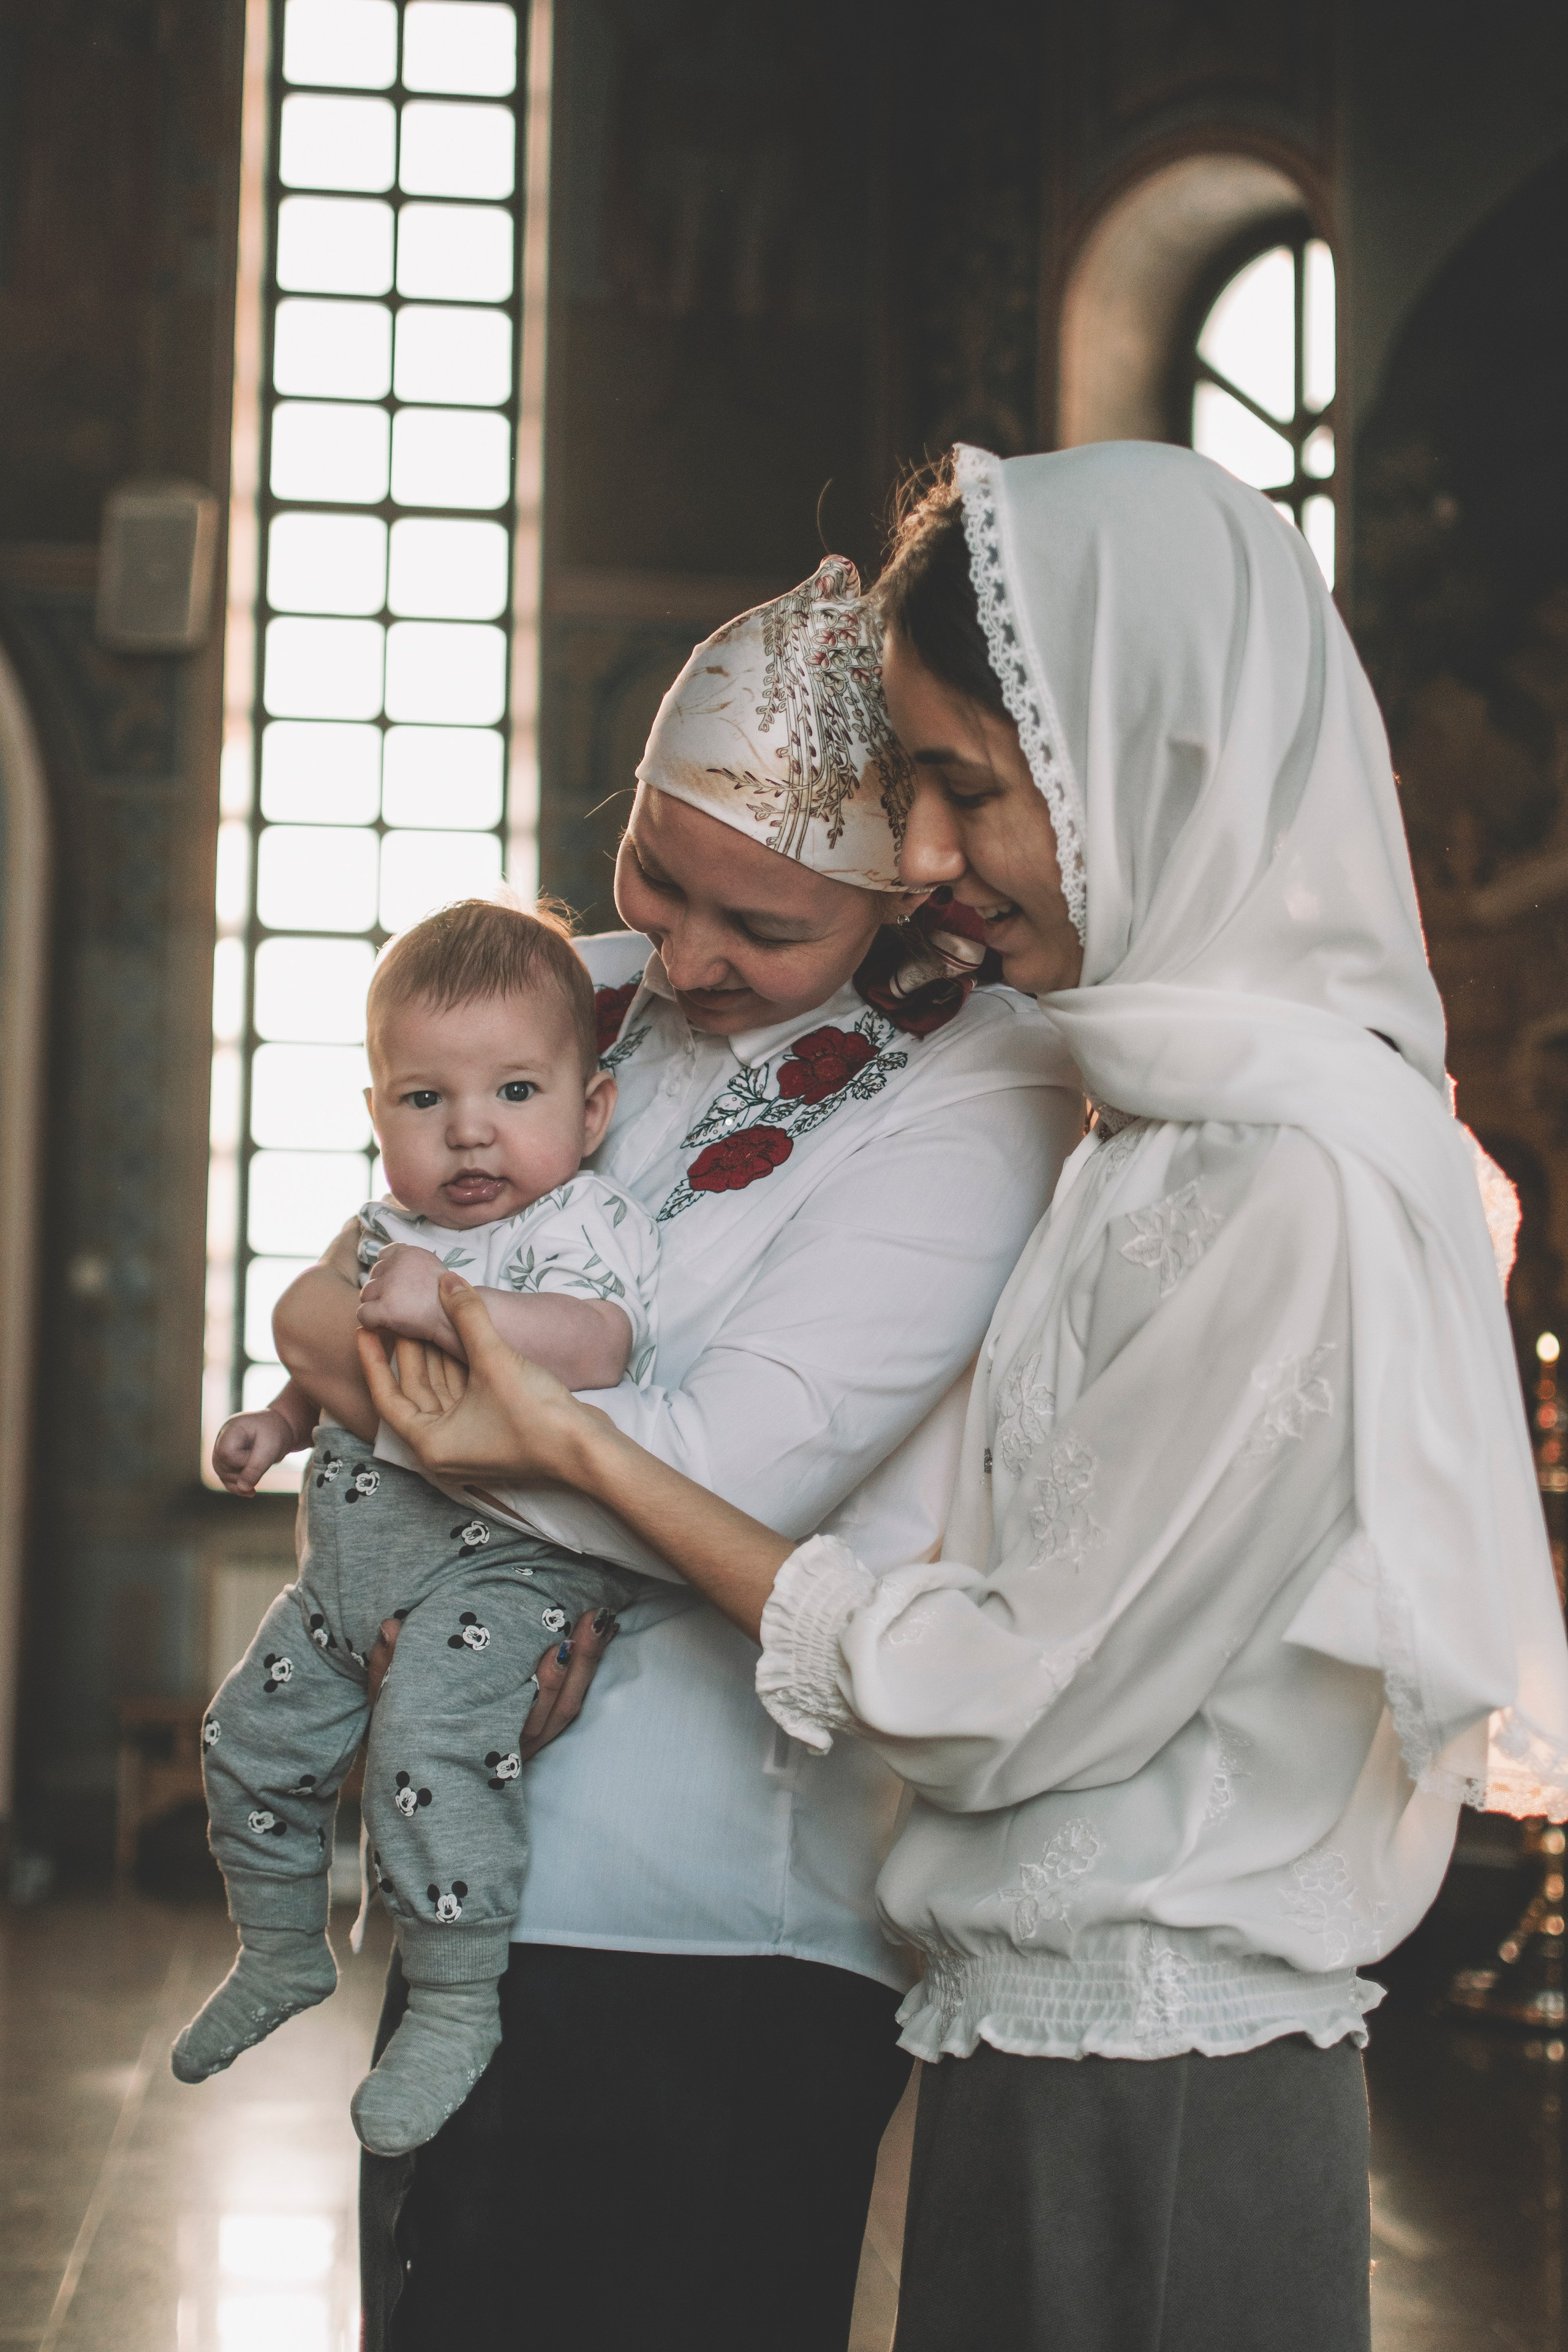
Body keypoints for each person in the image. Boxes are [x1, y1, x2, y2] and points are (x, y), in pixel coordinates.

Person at [359, 444, 1568, 2352]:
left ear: (1138, 767)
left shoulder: (1273, 1164)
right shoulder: (1145, 1123)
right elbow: (370, 1302)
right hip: (1010, 2010)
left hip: (1123, 2020)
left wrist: (568, 1463)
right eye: (912, 790)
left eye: (966, 793)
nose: (924, 856)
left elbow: (1004, 1686)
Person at [273, 557, 1084, 2350]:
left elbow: (729, 1477)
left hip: (724, 1920)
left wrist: (427, 1436)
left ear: (894, 896)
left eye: (766, 928)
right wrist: (450, 1532)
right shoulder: (592, 989)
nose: (685, 958)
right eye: (658, 874)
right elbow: (321, 1302)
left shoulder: (984, 1084)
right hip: (474, 1867)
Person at [178, 900, 658, 2157]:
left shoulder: (570, 1227)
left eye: (512, 1089)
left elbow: (595, 1346)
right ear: (377, 1115)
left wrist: (454, 1311)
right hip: (347, 1567)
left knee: (429, 1749)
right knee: (244, 1736)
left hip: (495, 1571)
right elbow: (339, 1350)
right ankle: (279, 1947)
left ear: (589, 1111)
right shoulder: (386, 1229)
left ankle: (452, 2001)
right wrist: (278, 1421)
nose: (470, 1131)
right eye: (423, 1100)